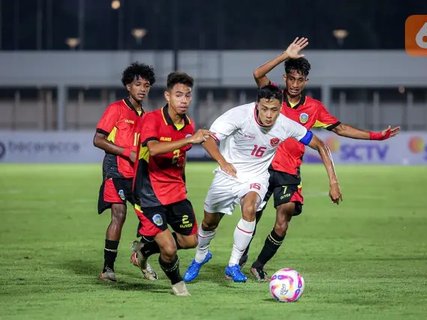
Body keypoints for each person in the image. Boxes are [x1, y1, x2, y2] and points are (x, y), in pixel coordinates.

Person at [241, 37, 401, 281]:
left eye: (300, 80)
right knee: (251, 215)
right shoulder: (274, 97)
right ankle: (238, 257)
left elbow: (341, 129)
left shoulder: (314, 108)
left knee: (284, 218)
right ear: (285, 79)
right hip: (262, 167)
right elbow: (257, 73)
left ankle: (259, 264)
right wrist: (286, 54)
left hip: (289, 172)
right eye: (291, 79)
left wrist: (377, 136)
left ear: (306, 81)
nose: (295, 84)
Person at [183, 84, 342, 283]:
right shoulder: (239, 115)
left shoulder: (286, 125)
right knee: (209, 222)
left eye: (274, 110)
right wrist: (223, 163)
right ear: (257, 105)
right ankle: (200, 256)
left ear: (280, 108)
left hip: (256, 177)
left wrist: (333, 181)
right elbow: (206, 138)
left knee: (249, 209)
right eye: (265, 109)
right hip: (227, 174)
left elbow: (320, 145)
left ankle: (233, 264)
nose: (269, 115)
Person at [130, 72, 211, 296]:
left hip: (176, 192)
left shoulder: (188, 125)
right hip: (149, 193)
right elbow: (153, 149)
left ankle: (143, 250)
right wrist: (189, 139)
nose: (184, 100)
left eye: (187, 95)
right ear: (167, 96)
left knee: (191, 240)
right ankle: (178, 285)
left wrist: (183, 184)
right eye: (178, 95)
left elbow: (181, 160)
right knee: (169, 248)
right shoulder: (152, 119)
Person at [94, 62, 157, 282]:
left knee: (150, 220)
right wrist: (126, 152)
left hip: (137, 173)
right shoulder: (116, 109)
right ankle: (108, 269)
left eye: (147, 85)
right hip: (116, 168)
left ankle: (141, 258)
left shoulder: (147, 116)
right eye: (137, 84)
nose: (142, 88)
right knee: (119, 214)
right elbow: (98, 140)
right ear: (128, 86)